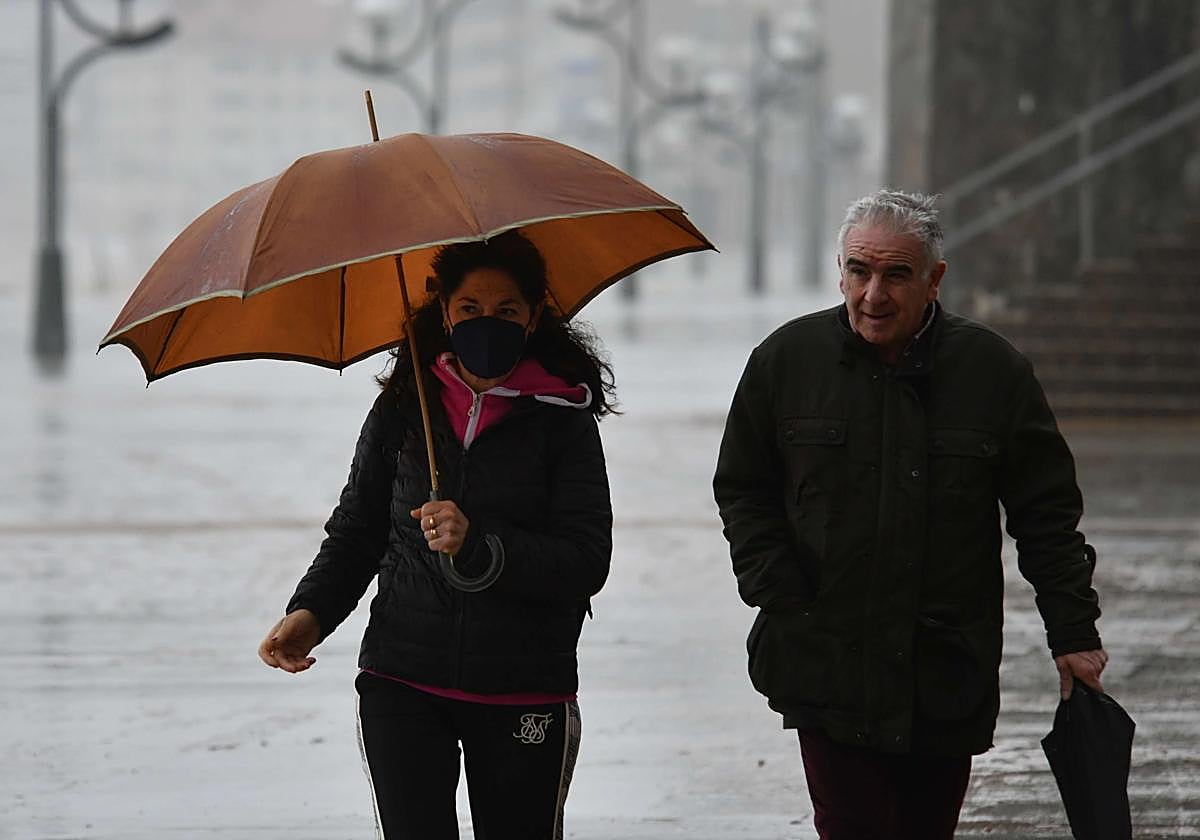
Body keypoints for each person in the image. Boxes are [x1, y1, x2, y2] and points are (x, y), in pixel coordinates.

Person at [712, 189, 1109, 839]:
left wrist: (1073, 633)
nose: (874, 295)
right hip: (826, 660)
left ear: (934, 279)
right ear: (840, 272)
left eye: (896, 275)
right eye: (859, 272)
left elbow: (1046, 516)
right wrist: (778, 590)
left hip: (944, 668)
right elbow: (743, 488)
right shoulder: (786, 362)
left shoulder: (992, 373)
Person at [257, 230, 615, 839]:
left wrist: (480, 545)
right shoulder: (406, 404)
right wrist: (309, 614)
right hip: (402, 680)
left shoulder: (563, 419)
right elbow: (357, 530)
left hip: (522, 687)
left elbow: (586, 560)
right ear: (444, 313)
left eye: (506, 311)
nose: (486, 324)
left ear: (533, 318)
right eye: (470, 308)